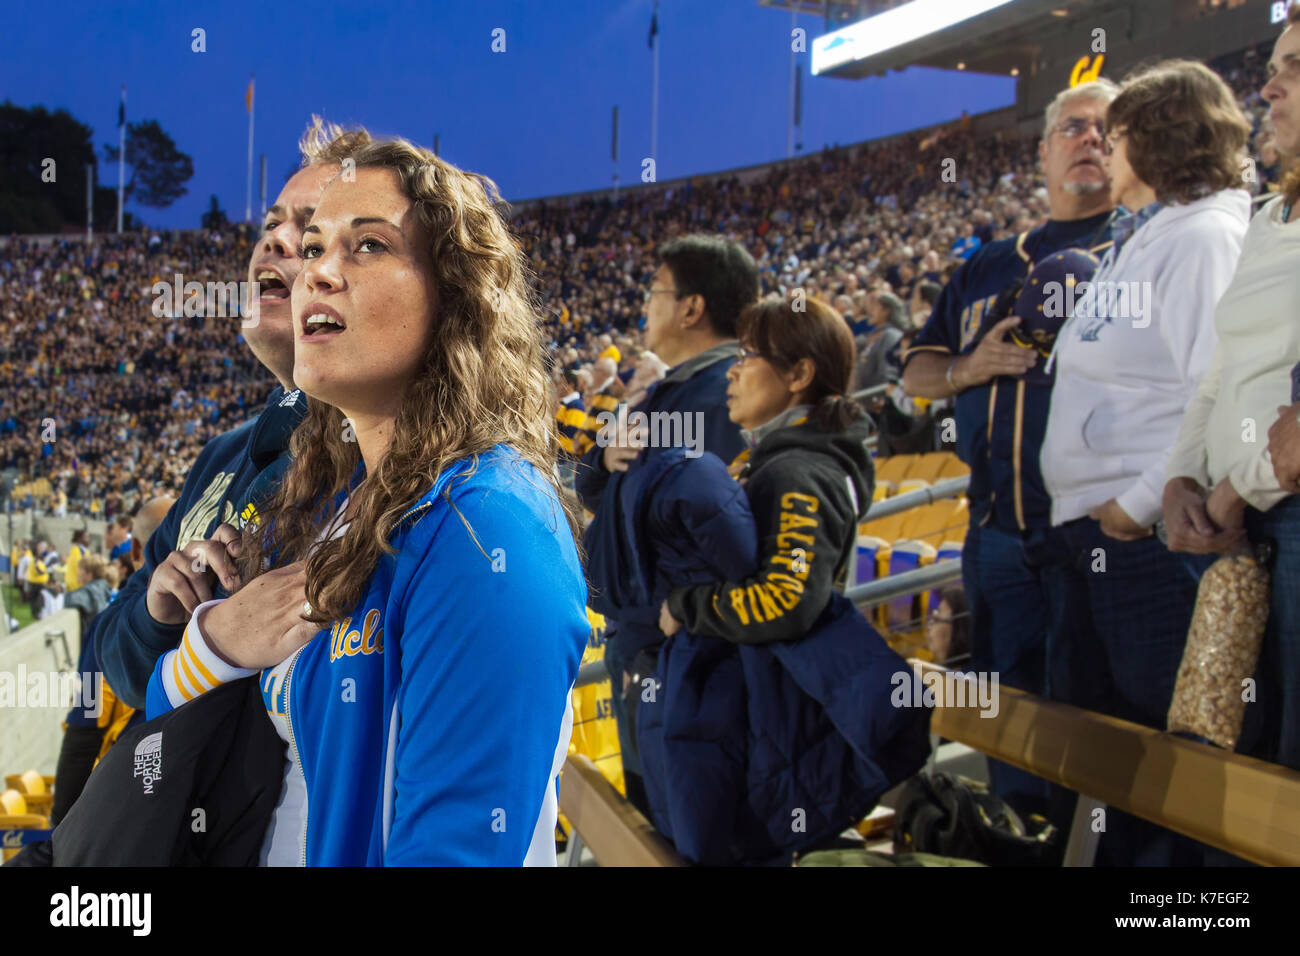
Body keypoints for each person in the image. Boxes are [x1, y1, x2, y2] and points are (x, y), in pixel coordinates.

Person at [145, 128, 589, 866]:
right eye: (315, 247)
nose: (316, 273)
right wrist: (212, 642)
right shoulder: (335, 506)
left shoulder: (489, 527)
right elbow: (163, 733)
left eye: (369, 245)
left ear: (456, 293)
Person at [1038, 59, 1252, 865]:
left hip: (1151, 548)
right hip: (1106, 542)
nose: (1104, 147)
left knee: (1178, 767)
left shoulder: (1202, 238)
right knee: (1124, 763)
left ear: (1154, 142)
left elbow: (1215, 390)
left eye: (1115, 133)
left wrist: (1136, 501)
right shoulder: (1154, 234)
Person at [901, 78, 1120, 822]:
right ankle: (1018, 840)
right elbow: (917, 370)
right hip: (995, 529)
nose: (1090, 139)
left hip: (1101, 528)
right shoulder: (989, 262)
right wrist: (972, 366)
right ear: (1043, 150)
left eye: (1105, 130)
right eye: (1074, 128)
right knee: (1010, 721)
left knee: (1106, 722)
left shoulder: (1139, 244)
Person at [94, 126, 361, 708]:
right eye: (271, 225)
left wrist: (213, 643)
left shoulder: (389, 448)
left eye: (311, 228)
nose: (275, 242)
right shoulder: (221, 455)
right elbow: (113, 653)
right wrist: (156, 614)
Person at [575, 234, 756, 813]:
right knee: (656, 823)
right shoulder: (668, 389)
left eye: (654, 292)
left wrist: (671, 622)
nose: (643, 306)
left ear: (692, 307)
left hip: (685, 654)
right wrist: (606, 453)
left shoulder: (732, 390)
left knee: (688, 823)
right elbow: (591, 485)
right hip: (648, 643)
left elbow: (722, 539)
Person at [1167, 6, 1300, 778]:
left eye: (1294, 69)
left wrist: (1231, 495)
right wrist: (1183, 476)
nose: (1270, 87)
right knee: (1234, 773)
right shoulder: (1268, 215)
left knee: (1285, 781)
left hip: (1276, 516)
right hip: (1238, 530)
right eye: (1274, 67)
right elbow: (1224, 368)